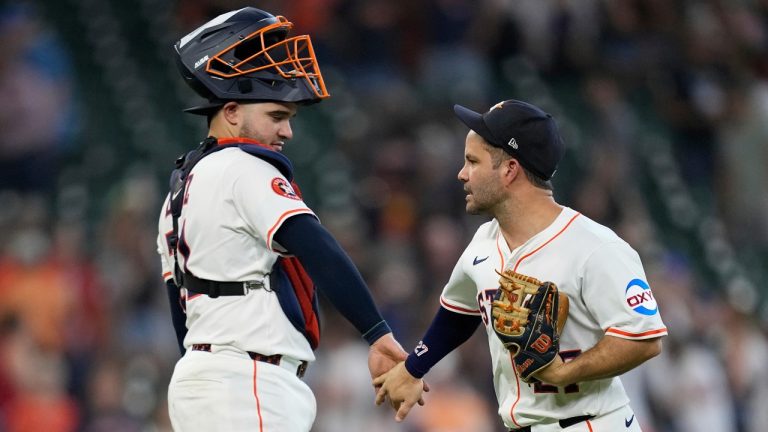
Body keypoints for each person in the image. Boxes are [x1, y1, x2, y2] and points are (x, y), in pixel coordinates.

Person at [156, 7, 410, 431]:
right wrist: (377, 332)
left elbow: (178, 309)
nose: (287, 132)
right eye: (277, 116)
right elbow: (317, 247)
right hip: (248, 380)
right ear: (232, 111)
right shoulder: (241, 165)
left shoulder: (178, 194)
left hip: (205, 382)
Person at [373, 99, 667, 431]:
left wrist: (564, 373)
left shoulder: (596, 247)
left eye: (472, 161)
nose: (462, 173)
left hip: (589, 423)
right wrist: (414, 368)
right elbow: (458, 313)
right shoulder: (483, 242)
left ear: (510, 170)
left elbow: (643, 340)